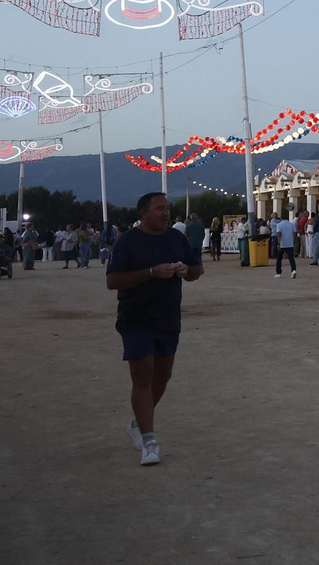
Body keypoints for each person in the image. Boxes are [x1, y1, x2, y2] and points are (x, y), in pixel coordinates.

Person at [106, 192, 203, 466]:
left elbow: (198, 270)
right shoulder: (128, 241)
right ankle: (148, 441)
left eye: (167, 209)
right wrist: (150, 272)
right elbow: (112, 281)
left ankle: (137, 424)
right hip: (136, 318)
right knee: (143, 378)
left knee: (163, 375)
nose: (165, 213)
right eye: (159, 209)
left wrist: (186, 270)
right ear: (143, 213)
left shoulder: (176, 238)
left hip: (168, 318)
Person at [271, 212, 299, 278]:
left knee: (279, 259)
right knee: (291, 258)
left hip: (282, 243)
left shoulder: (279, 225)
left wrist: (279, 243)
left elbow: (279, 234)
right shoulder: (291, 224)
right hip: (290, 243)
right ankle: (293, 270)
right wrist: (293, 241)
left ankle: (278, 272)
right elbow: (295, 233)